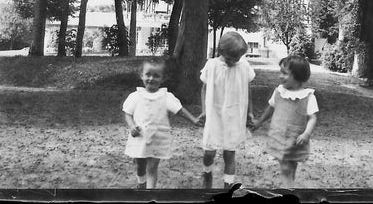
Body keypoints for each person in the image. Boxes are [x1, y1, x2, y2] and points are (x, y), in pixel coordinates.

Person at [123, 57, 201, 189]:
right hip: (140, 137)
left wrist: (193, 119)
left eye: (156, 76)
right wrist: (131, 126)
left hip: (158, 138)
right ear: (142, 75)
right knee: (140, 165)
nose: (151, 79)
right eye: (148, 74)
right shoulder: (136, 96)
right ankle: (141, 183)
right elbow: (128, 113)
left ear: (162, 78)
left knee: (152, 168)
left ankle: (150, 193)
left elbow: (180, 110)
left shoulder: (166, 97)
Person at [198, 31, 256, 188]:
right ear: (221, 52)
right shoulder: (212, 65)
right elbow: (204, 89)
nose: (235, 61)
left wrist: (250, 112)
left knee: (229, 153)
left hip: (234, 116)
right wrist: (204, 110)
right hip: (214, 115)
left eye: (238, 58)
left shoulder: (243, 66)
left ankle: (227, 186)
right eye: (232, 59)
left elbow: (248, 89)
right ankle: (207, 172)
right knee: (209, 152)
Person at [251, 55, 318, 188]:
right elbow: (269, 110)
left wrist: (306, 134)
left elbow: (312, 117)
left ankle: (289, 187)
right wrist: (258, 122)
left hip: (295, 139)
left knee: (292, 165)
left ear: (298, 76)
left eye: (285, 73)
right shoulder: (279, 92)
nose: (280, 76)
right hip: (279, 137)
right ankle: (289, 189)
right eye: (280, 72)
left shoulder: (308, 96)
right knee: (286, 167)